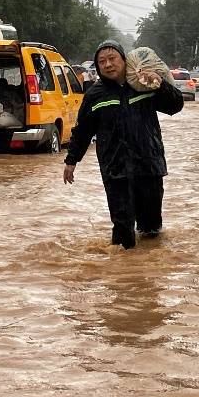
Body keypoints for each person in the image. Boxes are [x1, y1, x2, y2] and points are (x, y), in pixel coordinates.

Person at [62, 40, 184, 249]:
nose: (108, 64)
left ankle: (150, 276)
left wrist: (160, 84)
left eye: (112, 59)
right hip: (115, 171)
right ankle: (122, 278)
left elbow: (175, 106)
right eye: (102, 62)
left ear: (124, 60)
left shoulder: (143, 84)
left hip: (149, 167)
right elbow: (82, 130)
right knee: (122, 234)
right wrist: (71, 160)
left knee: (151, 230)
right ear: (98, 67)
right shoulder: (95, 94)